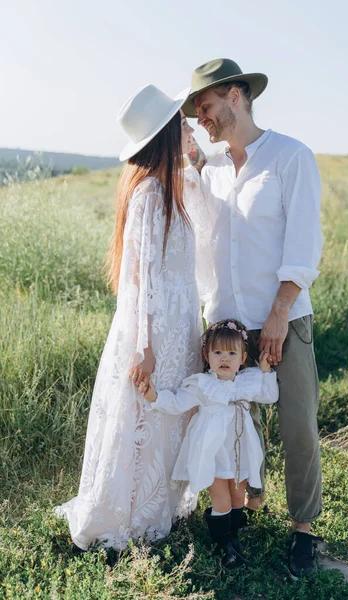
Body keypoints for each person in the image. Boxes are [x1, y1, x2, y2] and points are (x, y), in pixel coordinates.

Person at [182, 58, 323, 578]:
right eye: (196, 113)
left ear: (235, 96)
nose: (202, 119)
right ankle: (236, 510)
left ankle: (304, 531)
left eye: (206, 107)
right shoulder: (211, 171)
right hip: (225, 329)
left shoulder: (291, 157)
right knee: (230, 425)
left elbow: (304, 244)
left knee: (297, 427)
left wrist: (280, 313)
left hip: (282, 318)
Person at [56, 84, 207, 550]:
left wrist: (198, 162)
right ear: (164, 134)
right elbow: (139, 278)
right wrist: (144, 345)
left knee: (167, 419)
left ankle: (157, 505)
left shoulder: (170, 185)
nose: (190, 126)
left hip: (180, 327)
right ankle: (126, 513)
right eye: (181, 123)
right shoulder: (147, 195)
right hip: (154, 328)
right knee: (143, 417)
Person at [141, 319, 278, 568]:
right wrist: (155, 396)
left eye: (231, 353)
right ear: (207, 355)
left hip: (240, 453)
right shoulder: (203, 385)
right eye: (217, 353)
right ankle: (224, 546)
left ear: (243, 357)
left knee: (238, 497)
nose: (224, 358)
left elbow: (270, 396)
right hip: (212, 454)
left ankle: (233, 535)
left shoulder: (247, 381)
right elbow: (178, 402)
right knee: (222, 499)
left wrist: (266, 371)